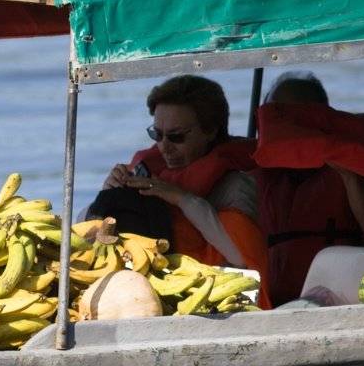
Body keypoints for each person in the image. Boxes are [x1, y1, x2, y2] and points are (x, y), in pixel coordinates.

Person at [254, 73, 364, 303]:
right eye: (277, 115)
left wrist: (349, 176)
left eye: (297, 116)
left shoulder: (360, 166)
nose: (285, 126)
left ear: (321, 118)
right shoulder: (248, 172)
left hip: (342, 300)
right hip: (270, 304)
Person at [90, 74, 265, 272]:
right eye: (156, 134)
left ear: (210, 131)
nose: (165, 147)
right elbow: (84, 232)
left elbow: (241, 257)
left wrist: (182, 199)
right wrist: (109, 194)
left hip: (208, 286)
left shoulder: (237, 186)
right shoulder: (150, 172)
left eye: (177, 136)